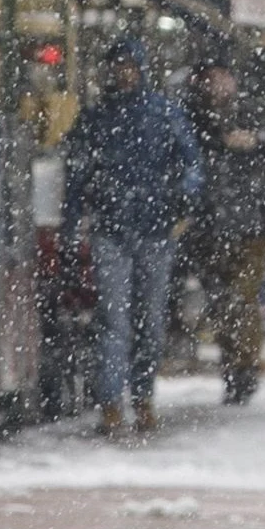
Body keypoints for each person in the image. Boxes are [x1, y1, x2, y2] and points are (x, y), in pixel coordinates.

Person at [65, 35, 203, 436]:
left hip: (152, 229)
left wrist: (184, 196)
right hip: (118, 230)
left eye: (130, 66)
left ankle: (139, 396)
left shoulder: (160, 114)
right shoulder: (100, 119)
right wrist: (72, 227)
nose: (124, 73)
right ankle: (113, 400)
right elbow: (76, 178)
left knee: (148, 319)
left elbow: (191, 163)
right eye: (118, 66)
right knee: (116, 319)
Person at [184, 52, 265, 405]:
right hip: (212, 225)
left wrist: (255, 142)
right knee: (221, 301)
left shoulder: (252, 112)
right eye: (210, 79)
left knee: (239, 299)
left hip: (249, 224)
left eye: (220, 77)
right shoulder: (194, 117)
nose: (217, 86)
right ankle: (235, 365)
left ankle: (242, 367)